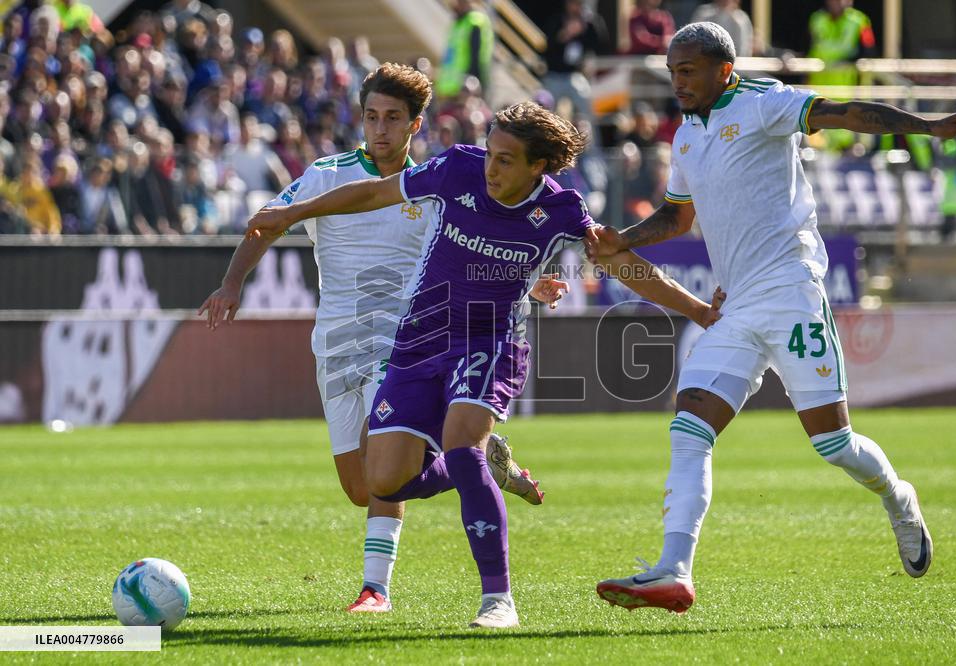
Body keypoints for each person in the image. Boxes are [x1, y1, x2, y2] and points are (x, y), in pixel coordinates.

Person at [245, 100, 725, 628]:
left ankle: (498, 601)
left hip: (490, 340)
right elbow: (375, 192)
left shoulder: (562, 210)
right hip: (420, 336)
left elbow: (623, 265)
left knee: (461, 444)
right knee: (382, 483)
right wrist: (293, 212)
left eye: (505, 160)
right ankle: (486, 467)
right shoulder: (457, 169)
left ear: (537, 166)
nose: (490, 169)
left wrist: (700, 310)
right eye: (491, 154)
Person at [588, 22, 956, 613]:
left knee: (834, 444)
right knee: (690, 427)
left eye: (687, 70)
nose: (677, 82)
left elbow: (848, 112)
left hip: (793, 291)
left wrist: (928, 125)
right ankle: (673, 570)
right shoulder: (689, 135)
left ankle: (899, 499)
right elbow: (676, 219)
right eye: (672, 72)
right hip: (736, 305)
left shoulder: (765, 101)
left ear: (724, 69)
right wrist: (625, 239)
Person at [200, 64, 550, 614]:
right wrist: (231, 283)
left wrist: (534, 278)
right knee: (362, 486)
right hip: (337, 343)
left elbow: (484, 244)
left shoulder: (435, 185)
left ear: (414, 124)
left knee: (386, 468)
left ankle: (375, 588)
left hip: (411, 340)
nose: (380, 129)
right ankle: (476, 464)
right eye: (371, 117)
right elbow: (268, 220)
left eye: (392, 119)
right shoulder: (326, 174)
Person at [807, 0, 876, 87]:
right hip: (819, 86)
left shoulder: (860, 21)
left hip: (849, 89)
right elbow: (808, 51)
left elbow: (869, 53)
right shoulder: (816, 19)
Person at [436, 0, 494, 99]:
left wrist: (474, 83)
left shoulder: (475, 21)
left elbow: (476, 56)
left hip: (465, 88)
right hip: (450, 87)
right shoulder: (458, 22)